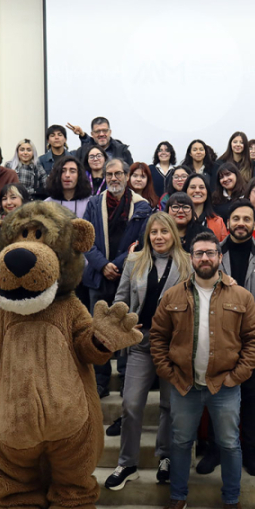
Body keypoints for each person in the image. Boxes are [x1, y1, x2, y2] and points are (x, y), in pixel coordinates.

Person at [151, 231, 255, 509]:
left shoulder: (241, 296)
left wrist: (236, 376)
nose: (204, 258)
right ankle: (177, 498)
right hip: (184, 385)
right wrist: (170, 373)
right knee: (179, 442)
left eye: (210, 253)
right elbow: (158, 339)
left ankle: (231, 501)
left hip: (224, 386)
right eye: (199, 253)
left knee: (228, 444)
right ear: (191, 258)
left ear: (219, 257)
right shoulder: (173, 296)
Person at [104, 212, 191, 490]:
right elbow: (120, 299)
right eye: (154, 233)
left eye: (164, 232)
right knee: (131, 404)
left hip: (173, 345)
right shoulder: (134, 261)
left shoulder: (187, 262)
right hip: (140, 343)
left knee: (169, 405)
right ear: (147, 235)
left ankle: (164, 457)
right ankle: (127, 462)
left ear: (173, 234)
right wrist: (127, 318)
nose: (159, 237)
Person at [192, 201, 255, 478]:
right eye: (236, 218)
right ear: (228, 223)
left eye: (247, 219)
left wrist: (243, 321)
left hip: (254, 340)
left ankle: (249, 450)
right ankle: (216, 450)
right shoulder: (214, 252)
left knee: (252, 397)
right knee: (218, 395)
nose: (241, 223)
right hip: (219, 338)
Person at [83, 158, 152, 396]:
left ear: (126, 176)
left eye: (118, 174)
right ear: (104, 177)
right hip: (98, 277)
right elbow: (86, 239)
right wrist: (103, 265)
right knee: (99, 330)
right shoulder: (94, 203)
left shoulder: (142, 205)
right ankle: (100, 382)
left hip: (128, 275)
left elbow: (142, 242)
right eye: (109, 174)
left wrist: (117, 264)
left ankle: (125, 379)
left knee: (124, 328)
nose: (114, 178)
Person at [67, 117, 134, 164]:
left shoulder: (122, 151)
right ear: (92, 134)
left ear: (110, 132)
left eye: (104, 130)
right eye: (97, 131)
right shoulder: (83, 152)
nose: (101, 134)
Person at [185, 173, 227, 241]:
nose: (197, 191)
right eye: (193, 187)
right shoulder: (178, 219)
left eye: (201, 187)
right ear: (185, 191)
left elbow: (223, 248)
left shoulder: (218, 222)